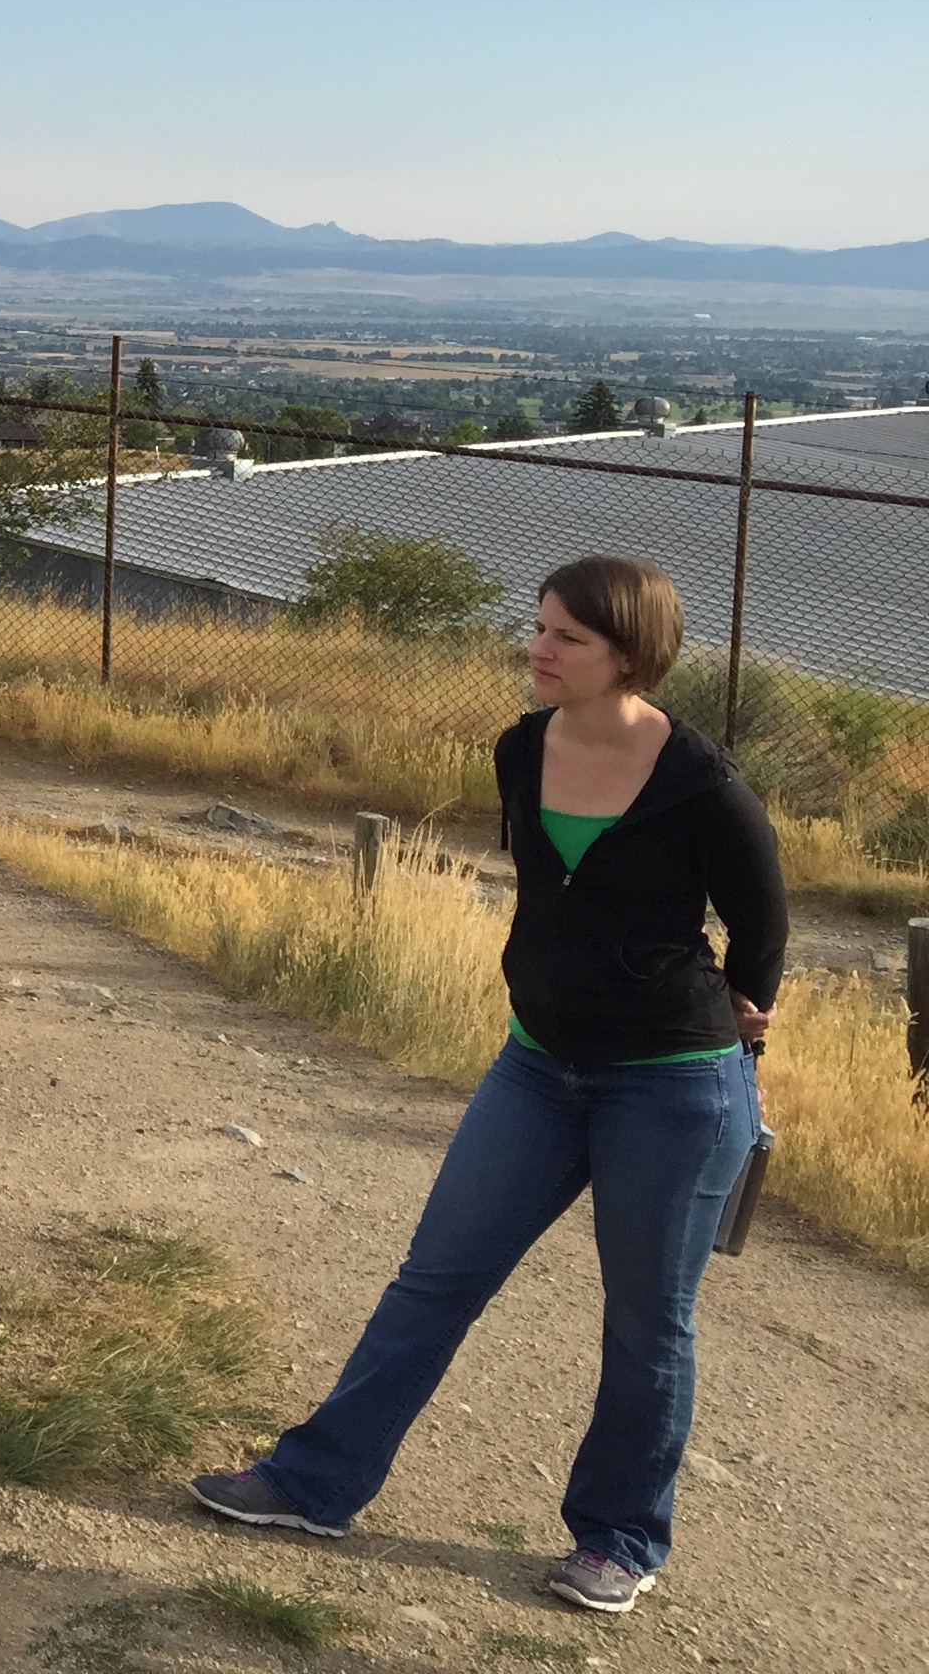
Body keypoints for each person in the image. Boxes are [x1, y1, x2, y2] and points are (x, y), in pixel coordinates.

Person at [190, 554, 784, 1617]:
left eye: (567, 638)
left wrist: (742, 1020)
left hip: (672, 1088)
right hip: (536, 1069)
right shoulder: (522, 748)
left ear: (630, 658)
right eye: (540, 626)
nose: (537, 648)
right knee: (435, 1280)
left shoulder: (703, 783)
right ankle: (313, 1485)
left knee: (647, 1323)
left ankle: (618, 1541)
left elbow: (763, 927)